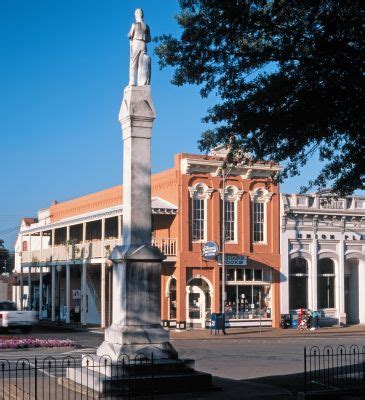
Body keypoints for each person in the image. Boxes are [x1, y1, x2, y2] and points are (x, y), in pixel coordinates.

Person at [128, 8, 151, 86]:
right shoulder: (146, 26)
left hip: (136, 43)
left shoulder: (134, 25)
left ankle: (132, 81)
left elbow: (130, 35)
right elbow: (149, 39)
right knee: (142, 64)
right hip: (143, 44)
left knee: (133, 63)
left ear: (136, 15)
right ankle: (141, 82)